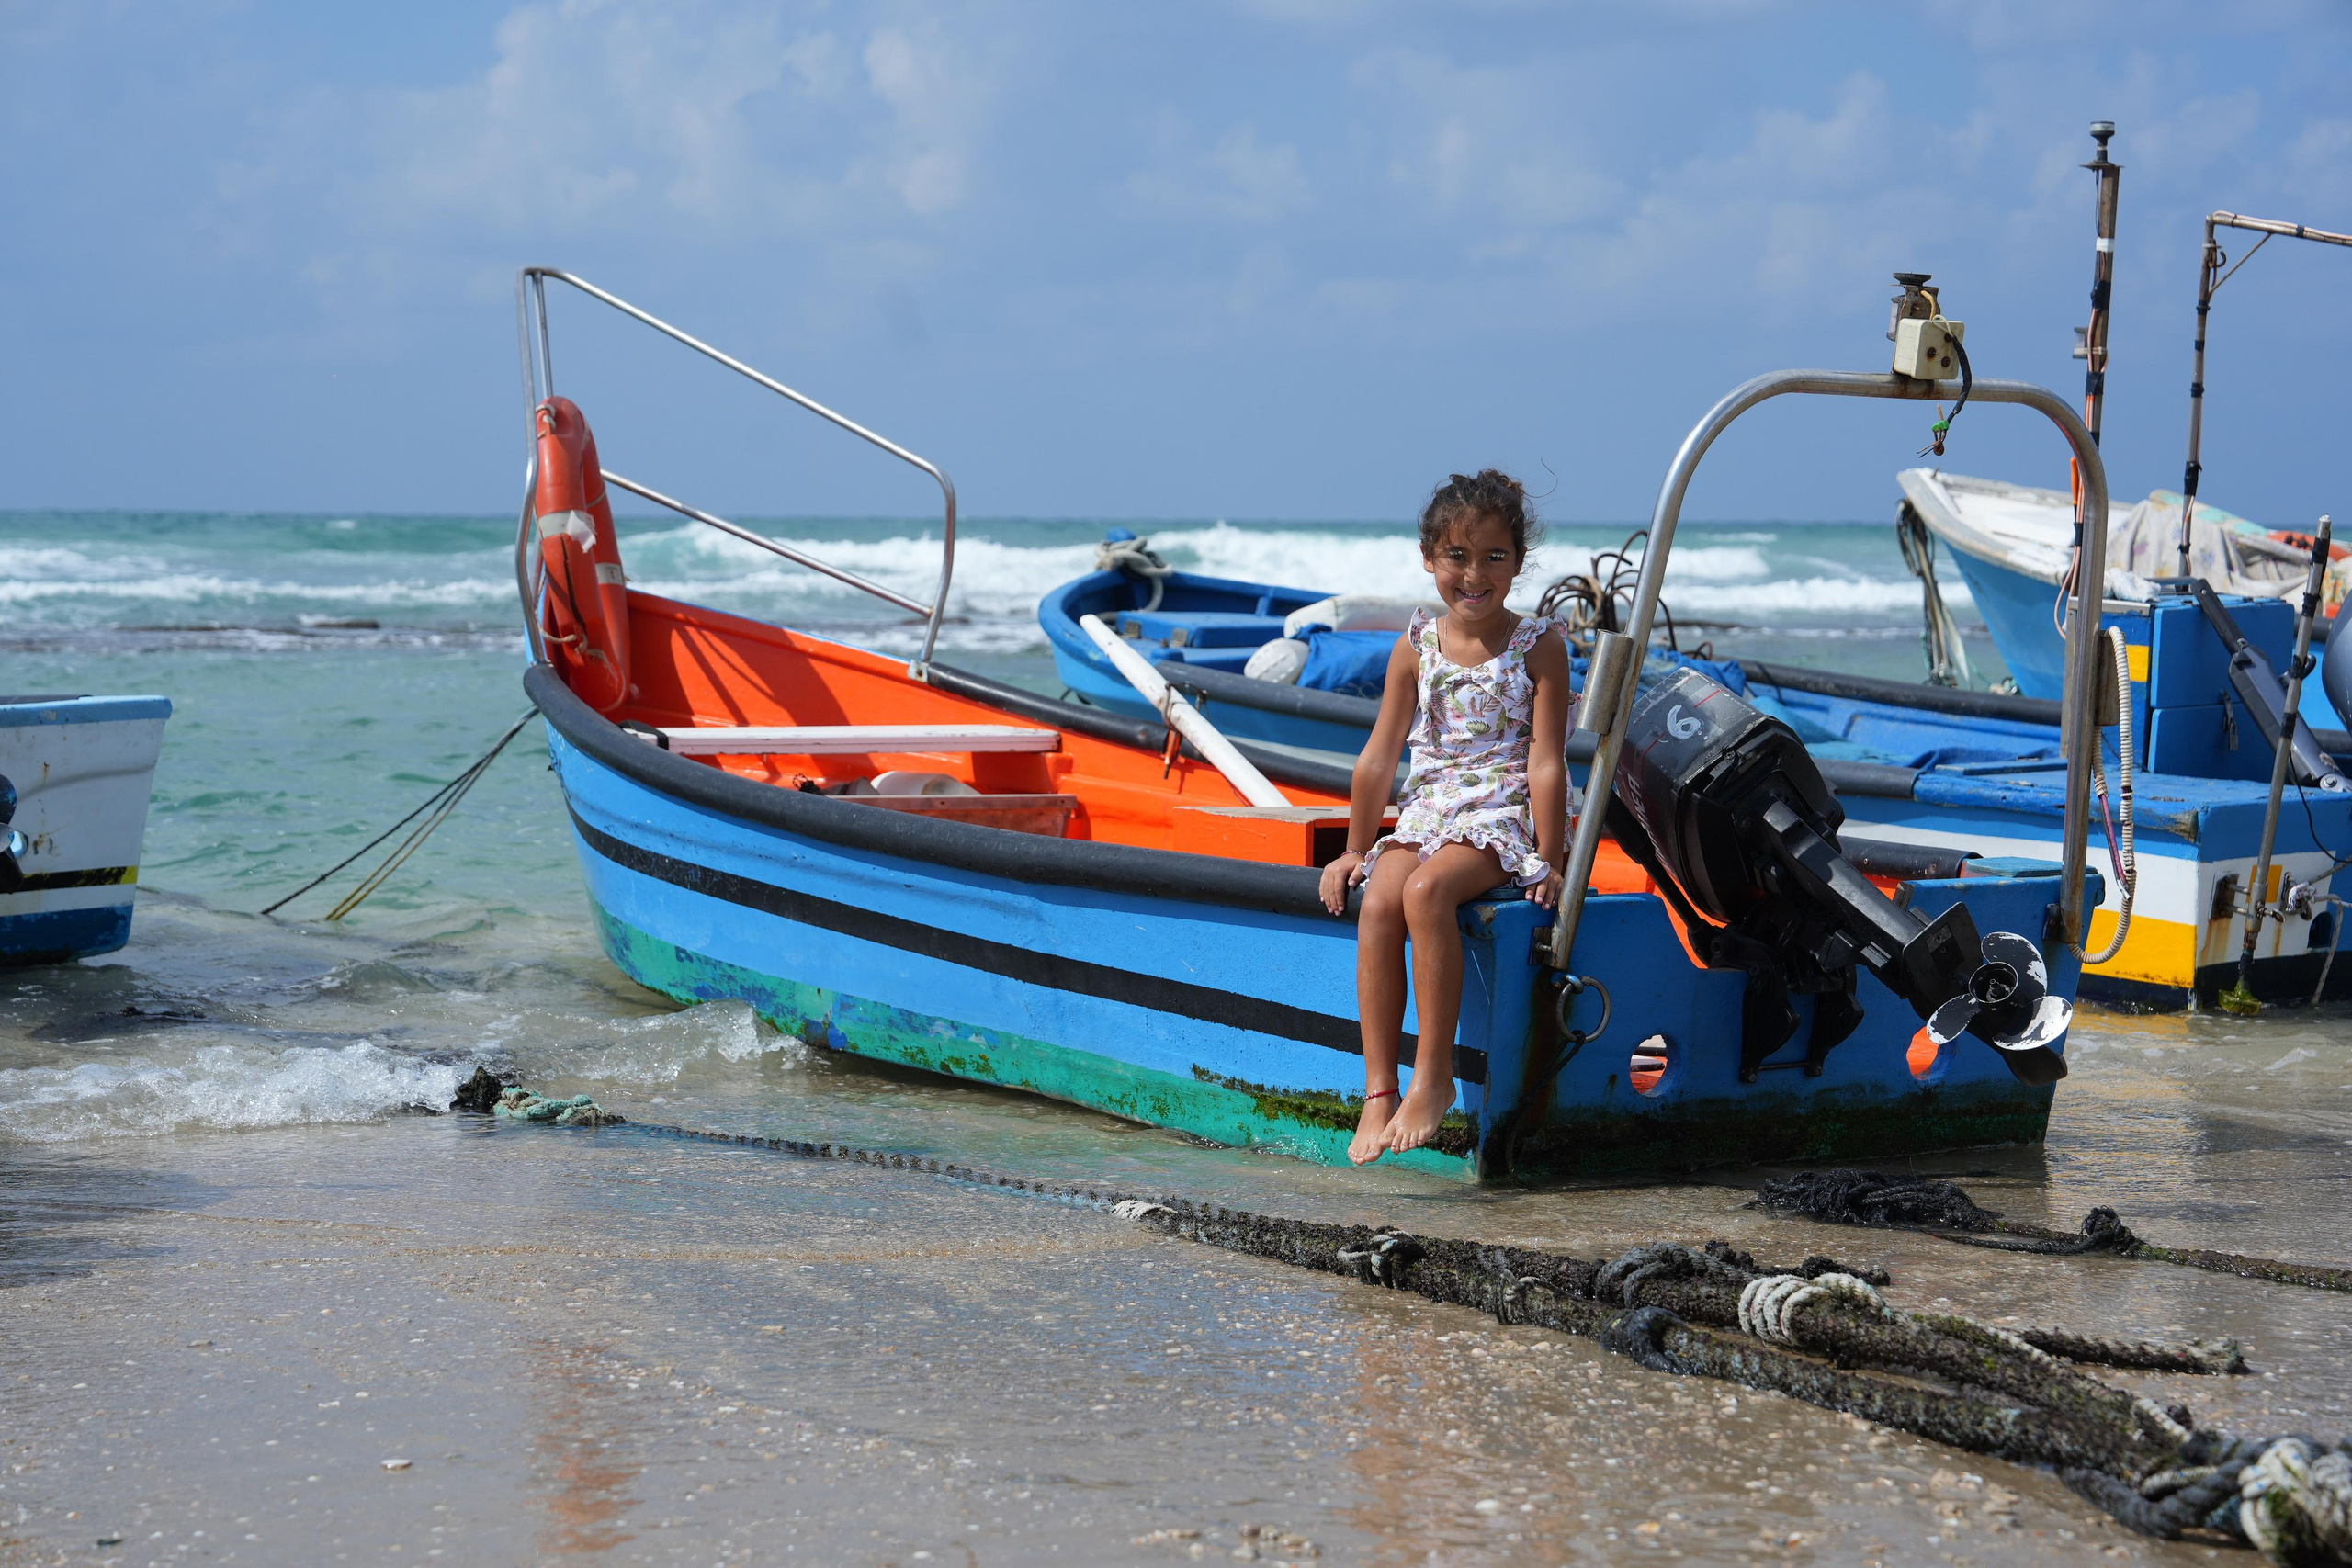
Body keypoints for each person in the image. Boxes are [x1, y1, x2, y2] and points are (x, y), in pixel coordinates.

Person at [1317, 470, 1572, 1164]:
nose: (1474, 574)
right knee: (1379, 902)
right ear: (1430, 559)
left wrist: (1551, 855)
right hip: (1430, 810)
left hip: (1499, 815)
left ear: (1518, 563)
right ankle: (1378, 1090)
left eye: (1495, 557)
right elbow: (1379, 756)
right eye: (1457, 556)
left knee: (1427, 893)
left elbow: (1547, 760)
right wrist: (1352, 849)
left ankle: (1433, 1079)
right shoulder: (1416, 646)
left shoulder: (1539, 645)